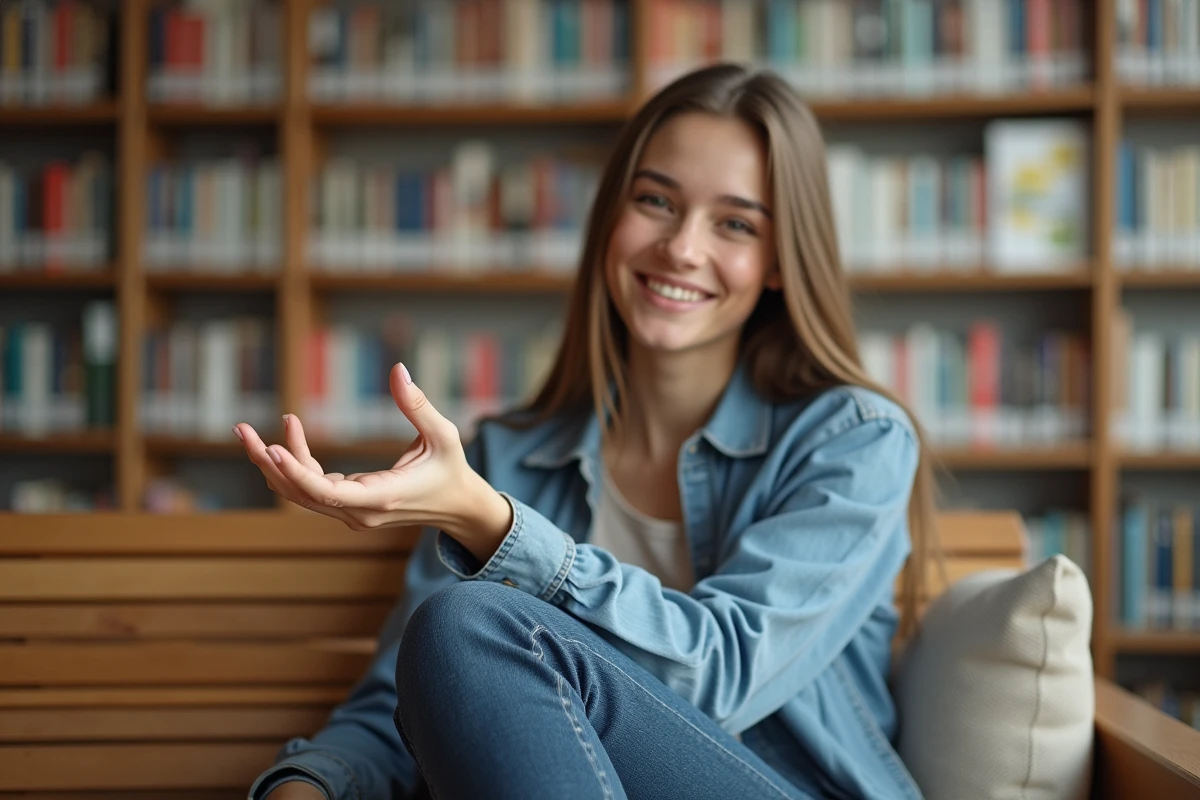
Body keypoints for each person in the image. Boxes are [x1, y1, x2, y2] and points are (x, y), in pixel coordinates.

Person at [235, 63, 937, 800]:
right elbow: (405, 705)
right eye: (656, 201)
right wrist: (305, 790)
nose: (681, 248)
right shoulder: (508, 454)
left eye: (734, 223)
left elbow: (722, 675)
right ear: (610, 218)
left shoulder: (857, 441)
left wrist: (490, 523)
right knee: (453, 639)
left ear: (779, 263)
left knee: (470, 625)